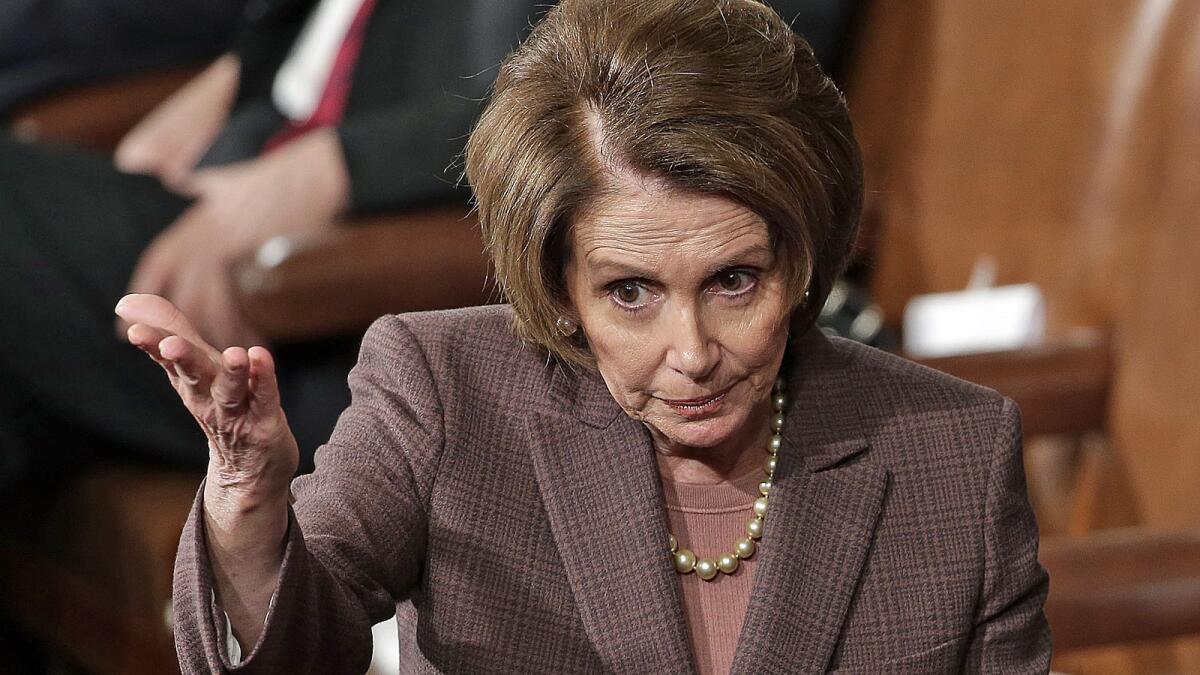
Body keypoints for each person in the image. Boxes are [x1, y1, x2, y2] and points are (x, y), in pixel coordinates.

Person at [117, 0, 1052, 671]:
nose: (692, 351)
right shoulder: (444, 390)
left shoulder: (955, 453)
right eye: (632, 293)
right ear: (559, 285)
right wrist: (247, 499)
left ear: (803, 261)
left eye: (735, 281)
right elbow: (290, 651)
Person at [0, 1, 547, 496]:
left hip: (317, 311)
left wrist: (331, 168)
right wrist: (240, 73)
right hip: (212, 196)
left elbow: (551, 98)